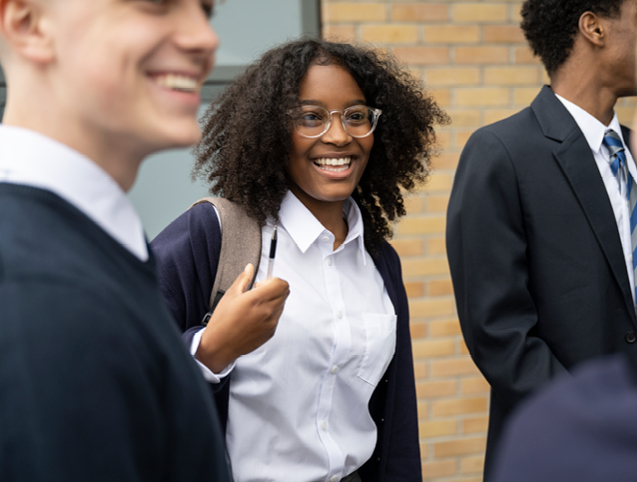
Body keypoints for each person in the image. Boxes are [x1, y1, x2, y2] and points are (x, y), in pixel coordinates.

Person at [151, 38, 449, 482]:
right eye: (311, 117)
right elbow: (115, 371)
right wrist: (211, 350)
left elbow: (396, 421)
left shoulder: (378, 260)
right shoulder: (213, 236)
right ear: (272, 130)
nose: (339, 136)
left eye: (356, 116)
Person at [446, 0, 637, 476]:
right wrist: (610, 431)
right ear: (593, 27)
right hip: (580, 457)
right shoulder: (502, 155)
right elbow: (502, 337)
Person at [0, 0, 233, 481]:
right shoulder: (37, 289)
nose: (205, 38)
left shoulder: (81, 245)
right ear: (28, 24)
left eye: (206, 8)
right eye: (156, 4)